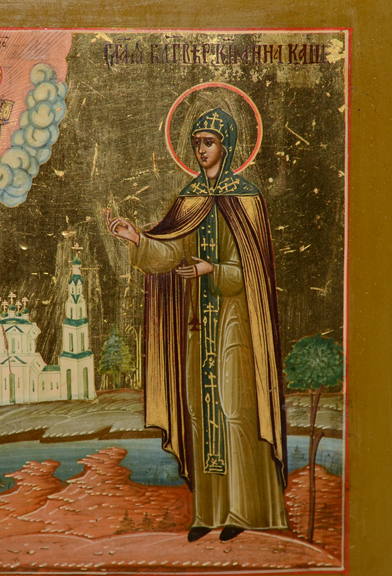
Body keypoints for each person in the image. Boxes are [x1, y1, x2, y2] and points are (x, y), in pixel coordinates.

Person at [105, 107, 289, 542]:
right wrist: (138, 239)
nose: (201, 150)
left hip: (236, 324)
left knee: (235, 409)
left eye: (209, 142)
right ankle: (209, 511)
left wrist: (212, 269)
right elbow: (170, 252)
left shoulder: (246, 199)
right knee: (199, 411)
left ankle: (244, 510)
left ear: (227, 145)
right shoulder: (189, 199)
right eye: (196, 143)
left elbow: (254, 272)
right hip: (198, 325)